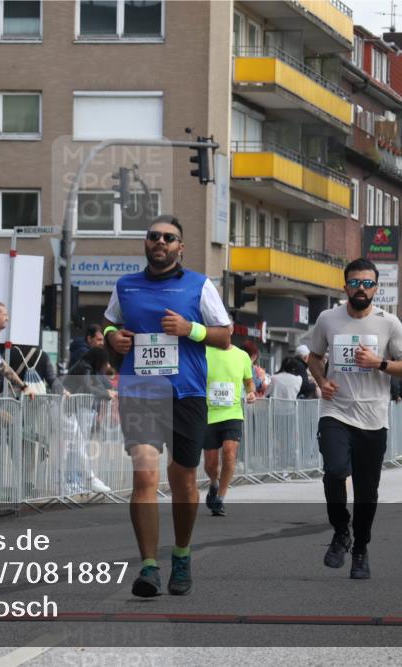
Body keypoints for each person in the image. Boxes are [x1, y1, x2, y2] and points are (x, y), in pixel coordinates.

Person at [103, 215, 232, 597]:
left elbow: (225, 336)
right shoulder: (126, 286)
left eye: (169, 237)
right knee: (144, 476)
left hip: (186, 394)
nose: (160, 242)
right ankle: (148, 566)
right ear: (146, 243)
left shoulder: (198, 284)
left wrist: (190, 329)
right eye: (154, 236)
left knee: (183, 479)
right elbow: (108, 324)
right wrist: (114, 338)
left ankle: (181, 554)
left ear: (181, 247)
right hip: (140, 391)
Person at [306, 258, 402, 580]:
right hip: (336, 411)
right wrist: (321, 381)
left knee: (367, 493)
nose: (361, 288)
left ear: (376, 289)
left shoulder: (389, 323)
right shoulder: (328, 318)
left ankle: (361, 549)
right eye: (355, 282)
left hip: (373, 417)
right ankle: (341, 531)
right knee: (335, 471)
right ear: (345, 286)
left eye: (367, 284)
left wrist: (380, 363)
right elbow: (314, 357)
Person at [203, 342, 255, 517]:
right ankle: (213, 483)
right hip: (209, 413)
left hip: (232, 413)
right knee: (210, 464)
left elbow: (249, 382)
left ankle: (220, 498)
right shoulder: (204, 351)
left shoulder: (242, 355)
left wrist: (251, 392)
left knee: (229, 452)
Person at [62, 346, 115, 494]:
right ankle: (74, 481)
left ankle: (78, 481)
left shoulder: (87, 367)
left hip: (70, 409)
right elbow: (87, 388)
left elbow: (95, 385)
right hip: (68, 409)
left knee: (77, 446)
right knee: (75, 447)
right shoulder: (84, 367)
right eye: (105, 362)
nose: (106, 366)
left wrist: (106, 391)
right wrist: (106, 393)